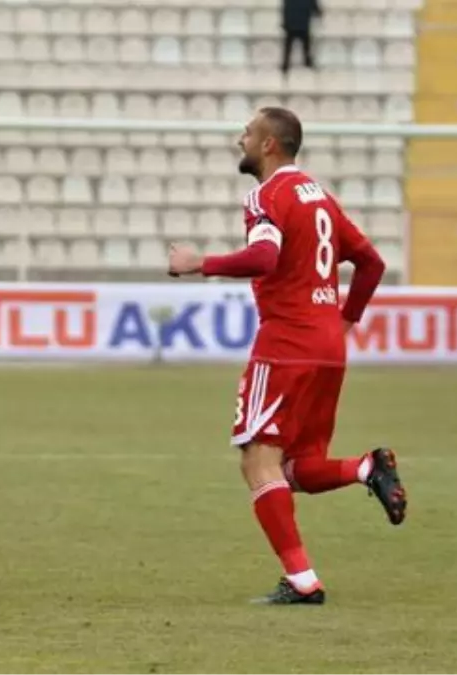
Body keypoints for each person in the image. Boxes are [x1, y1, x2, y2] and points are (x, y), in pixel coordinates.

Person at [167, 107, 403, 605]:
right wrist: (343, 320)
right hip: (327, 350)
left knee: (257, 461)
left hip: (286, 347)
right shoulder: (320, 198)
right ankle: (367, 468)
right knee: (296, 468)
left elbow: (264, 258)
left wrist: (198, 264)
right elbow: (371, 263)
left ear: (270, 144)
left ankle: (302, 581)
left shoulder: (267, 195)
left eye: (248, 134)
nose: (240, 140)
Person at [282, 0, 322, 75]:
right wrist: (318, 12)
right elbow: (315, 8)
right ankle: (307, 62)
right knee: (306, 45)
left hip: (291, 24)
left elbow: (285, 9)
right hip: (303, 24)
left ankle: (285, 65)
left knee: (288, 46)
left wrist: (285, 23)